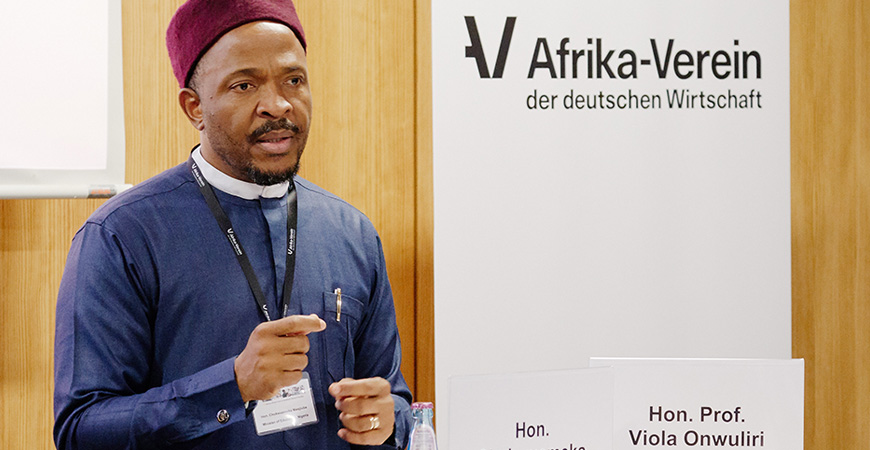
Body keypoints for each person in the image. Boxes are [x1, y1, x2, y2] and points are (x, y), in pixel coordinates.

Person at [53, 0, 412, 448]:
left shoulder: (352, 233)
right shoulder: (122, 237)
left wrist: (387, 418)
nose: (277, 105)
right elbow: (80, 430)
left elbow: (393, 398)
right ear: (194, 108)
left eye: (294, 80)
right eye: (244, 85)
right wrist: (231, 386)